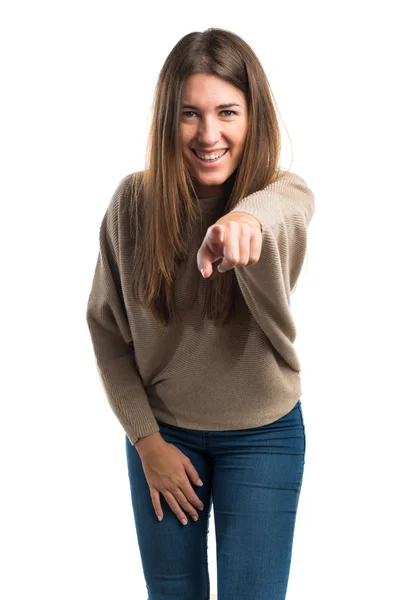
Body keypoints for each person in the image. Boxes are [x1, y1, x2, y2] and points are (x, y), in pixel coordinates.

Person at [86, 27, 315, 600]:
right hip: (165, 437)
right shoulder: (132, 205)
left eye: (227, 112)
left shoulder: (281, 195)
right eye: (190, 114)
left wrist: (245, 224)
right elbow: (108, 335)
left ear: (252, 117)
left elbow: (284, 209)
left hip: (263, 435)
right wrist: (147, 443)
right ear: (169, 120)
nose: (208, 134)